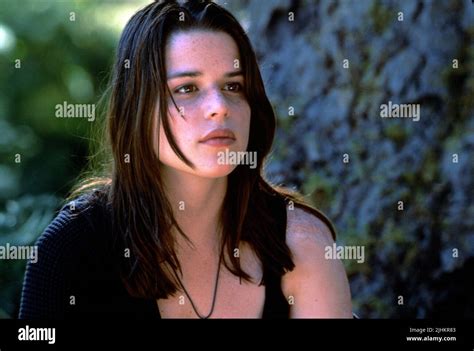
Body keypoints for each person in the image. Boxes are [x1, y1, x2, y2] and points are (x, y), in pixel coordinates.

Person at [19, 0, 352, 319]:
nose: (218, 106)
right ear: (137, 108)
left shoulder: (301, 245)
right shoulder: (73, 248)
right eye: (187, 88)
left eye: (234, 86)